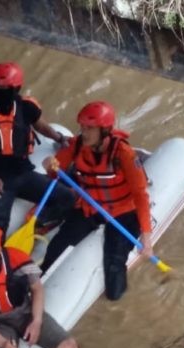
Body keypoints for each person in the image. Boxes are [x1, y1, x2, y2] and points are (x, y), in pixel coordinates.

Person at [40, 101, 153, 301]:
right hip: (90, 206)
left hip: (123, 211)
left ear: (105, 130)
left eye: (90, 128)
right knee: (56, 248)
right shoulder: (76, 146)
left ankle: (115, 294)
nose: (84, 133)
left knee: (114, 275)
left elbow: (140, 195)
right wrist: (49, 165)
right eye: (82, 127)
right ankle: (37, 284)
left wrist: (146, 236)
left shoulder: (124, 154)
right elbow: (55, 172)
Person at [0, 61, 75, 235]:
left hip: (23, 173)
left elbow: (41, 126)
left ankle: (41, 222)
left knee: (67, 197)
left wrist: (59, 138)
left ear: (16, 89)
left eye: (2, 88)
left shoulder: (27, 107)